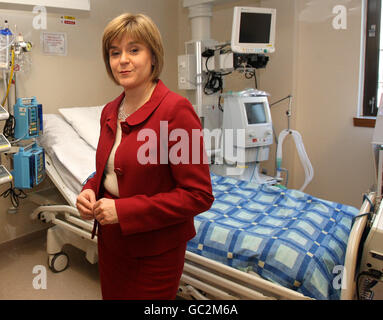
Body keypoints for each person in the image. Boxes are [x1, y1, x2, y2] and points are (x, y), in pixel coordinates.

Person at [75, 13, 214, 300]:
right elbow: (107, 170)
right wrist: (89, 189)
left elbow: (198, 195)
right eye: (115, 53)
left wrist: (123, 211)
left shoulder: (176, 111)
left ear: (153, 56)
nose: (123, 60)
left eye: (134, 50)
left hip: (155, 250)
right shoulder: (110, 111)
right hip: (111, 241)